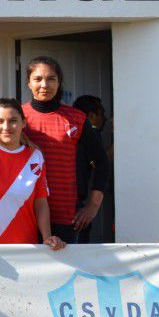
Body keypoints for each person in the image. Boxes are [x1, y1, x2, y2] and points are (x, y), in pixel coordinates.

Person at [0, 98, 66, 260]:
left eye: (13, 121)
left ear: (23, 123)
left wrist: (47, 237)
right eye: (0, 121)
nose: (6, 127)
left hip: (25, 249)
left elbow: (41, 202)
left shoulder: (35, 156)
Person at [22, 56, 109, 243]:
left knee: (61, 272)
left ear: (59, 82)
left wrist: (92, 207)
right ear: (28, 83)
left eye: (51, 79)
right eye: (37, 79)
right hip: (22, 213)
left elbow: (101, 162)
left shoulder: (76, 118)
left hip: (64, 215)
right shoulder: (16, 118)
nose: (44, 84)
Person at [72, 94, 113, 243]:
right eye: (102, 113)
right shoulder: (92, 132)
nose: (105, 118)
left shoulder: (72, 133)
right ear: (90, 116)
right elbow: (100, 162)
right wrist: (120, 138)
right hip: (74, 207)